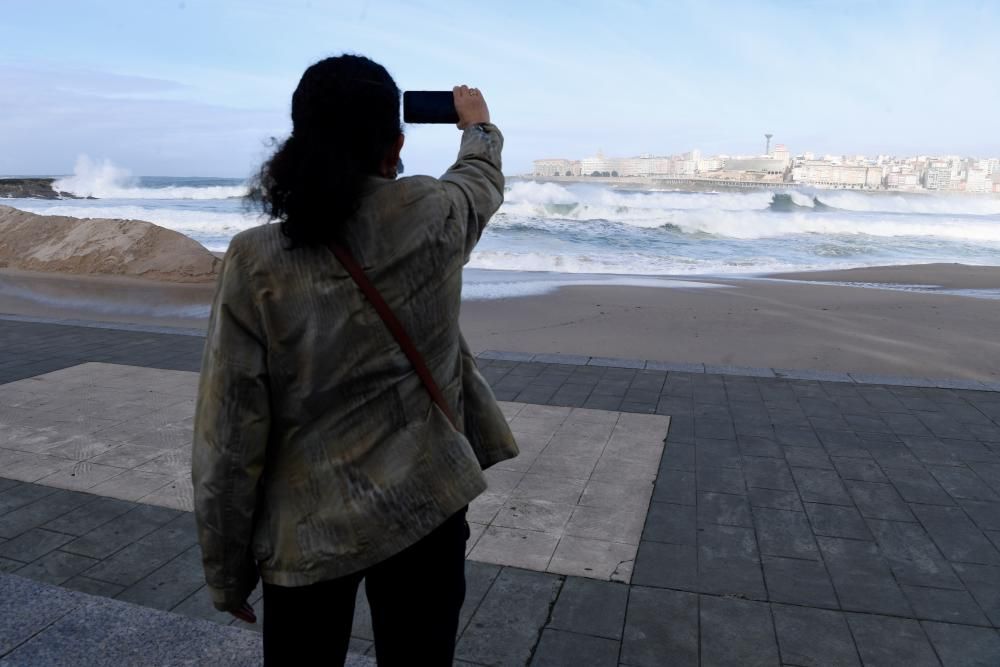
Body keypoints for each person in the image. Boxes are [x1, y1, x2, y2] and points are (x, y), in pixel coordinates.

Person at [191, 54, 504, 665]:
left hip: (307, 530)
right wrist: (479, 128)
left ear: (298, 142)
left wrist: (226, 570)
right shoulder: (436, 216)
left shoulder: (255, 260)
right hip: (428, 509)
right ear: (395, 146)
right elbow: (480, 182)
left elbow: (229, 433)